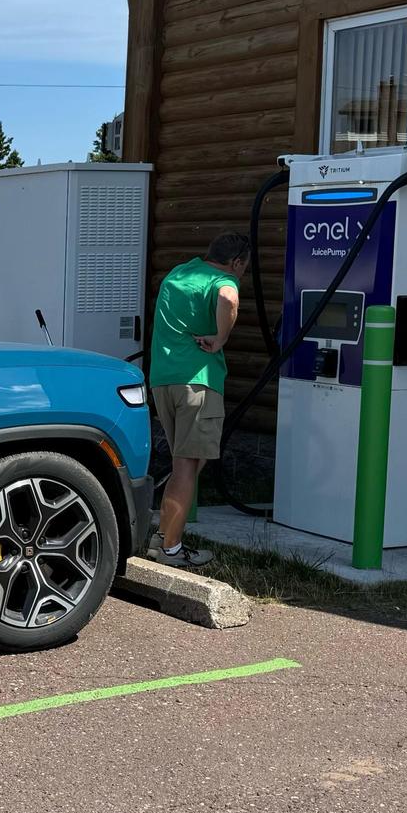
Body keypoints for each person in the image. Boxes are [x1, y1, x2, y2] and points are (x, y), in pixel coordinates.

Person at [145, 231, 250, 568]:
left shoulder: (180, 272)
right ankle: (171, 550)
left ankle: (160, 539)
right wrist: (221, 338)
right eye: (243, 268)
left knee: (183, 464)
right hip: (198, 383)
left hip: (163, 380)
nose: (241, 274)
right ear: (235, 262)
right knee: (187, 467)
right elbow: (229, 299)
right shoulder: (223, 279)